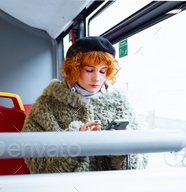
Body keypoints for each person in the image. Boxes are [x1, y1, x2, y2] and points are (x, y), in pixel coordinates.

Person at [22, 36, 148, 173]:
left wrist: (121, 147)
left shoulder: (120, 103)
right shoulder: (47, 104)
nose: (97, 78)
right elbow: (38, 167)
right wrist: (74, 141)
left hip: (111, 189)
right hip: (65, 190)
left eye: (103, 71)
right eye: (89, 70)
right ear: (73, 68)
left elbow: (139, 167)